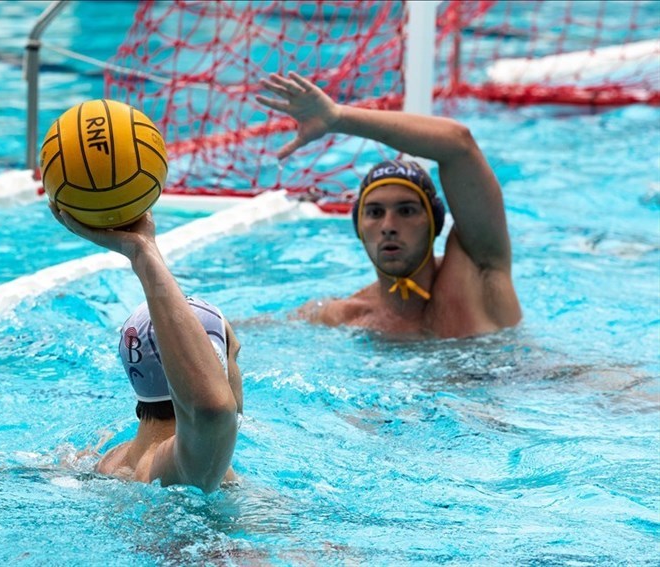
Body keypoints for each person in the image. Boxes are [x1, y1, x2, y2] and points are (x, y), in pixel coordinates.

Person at [257, 71, 522, 338]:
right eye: (375, 212)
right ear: (359, 227)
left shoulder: (479, 273)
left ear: (435, 222)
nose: (389, 226)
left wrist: (338, 118)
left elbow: (459, 144)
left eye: (406, 211)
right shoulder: (345, 317)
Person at [49, 203, 243, 493]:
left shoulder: (109, 459)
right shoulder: (187, 467)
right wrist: (141, 251)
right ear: (215, 366)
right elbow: (212, 411)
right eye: (234, 355)